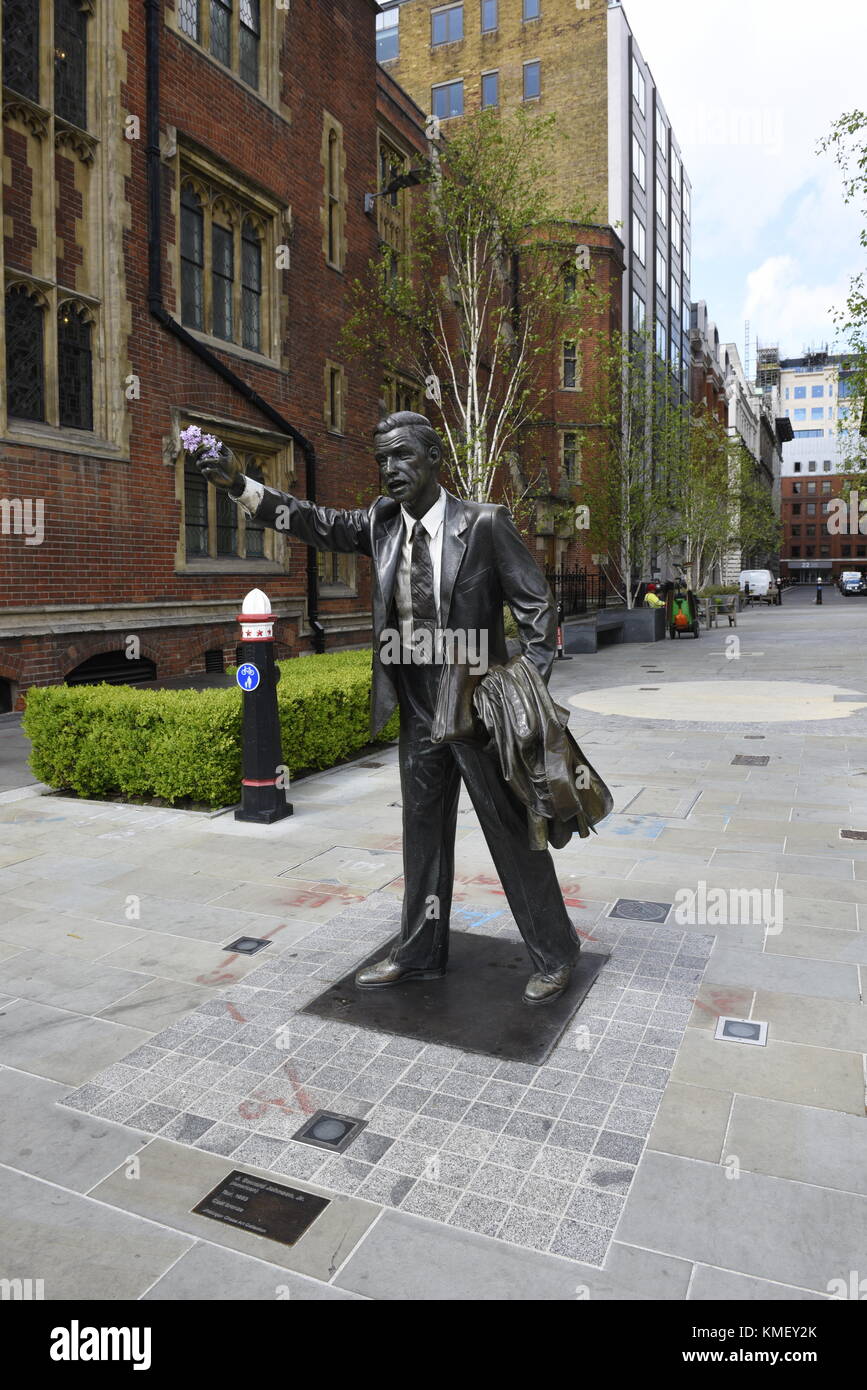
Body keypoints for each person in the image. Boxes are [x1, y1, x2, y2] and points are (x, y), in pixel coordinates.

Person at [195, 412, 582, 1004]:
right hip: (418, 708)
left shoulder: (483, 525)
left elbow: (537, 608)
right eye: (382, 460)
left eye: (402, 456)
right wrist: (238, 485)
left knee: (511, 831)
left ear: (433, 459)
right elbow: (312, 521)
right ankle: (420, 951)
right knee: (422, 833)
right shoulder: (380, 523)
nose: (390, 470)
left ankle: (555, 954)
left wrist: (523, 689)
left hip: (479, 707)